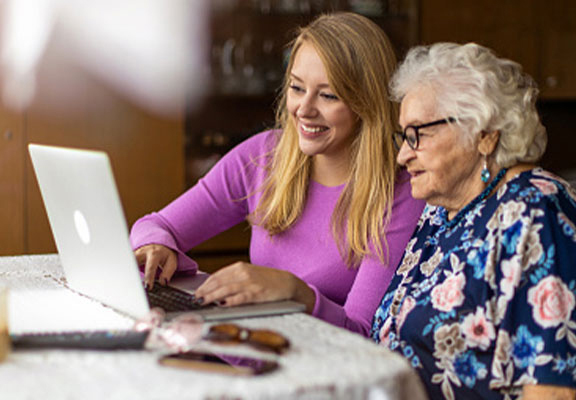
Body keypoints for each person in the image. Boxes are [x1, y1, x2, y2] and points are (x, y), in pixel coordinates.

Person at [129, 12, 424, 336]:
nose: (304, 109)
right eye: (297, 88)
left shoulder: (401, 190)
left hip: (323, 371)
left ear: (366, 103)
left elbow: (363, 333)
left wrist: (295, 291)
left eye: (328, 95)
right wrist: (156, 246)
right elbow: (156, 225)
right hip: (244, 349)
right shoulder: (263, 155)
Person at [371, 42, 576, 399]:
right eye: (403, 136)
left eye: (418, 134)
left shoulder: (537, 213)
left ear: (484, 134)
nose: (404, 155)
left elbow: (553, 389)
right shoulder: (440, 210)